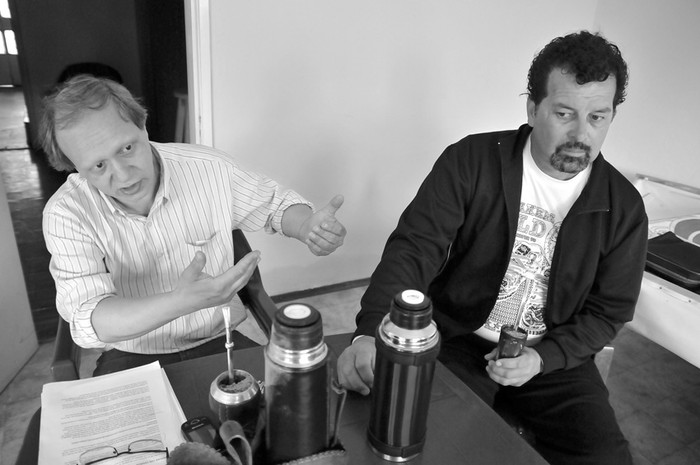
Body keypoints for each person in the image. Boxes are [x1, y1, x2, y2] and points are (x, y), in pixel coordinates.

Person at [337, 30, 646, 465]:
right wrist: (372, 332)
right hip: (458, 340)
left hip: (553, 360)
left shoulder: (624, 207)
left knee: (607, 458)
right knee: (426, 441)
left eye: (598, 117)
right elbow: (413, 250)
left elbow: (609, 310)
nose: (581, 134)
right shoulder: (471, 161)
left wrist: (543, 359)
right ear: (533, 108)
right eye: (564, 113)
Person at [40, 74, 347, 376]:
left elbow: (274, 205)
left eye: (127, 148)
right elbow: (90, 318)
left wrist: (307, 225)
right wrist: (179, 302)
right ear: (74, 167)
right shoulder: (66, 213)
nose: (123, 175)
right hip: (132, 351)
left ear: (143, 126)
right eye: (98, 165)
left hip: (218, 338)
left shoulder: (209, 169)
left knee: (280, 412)